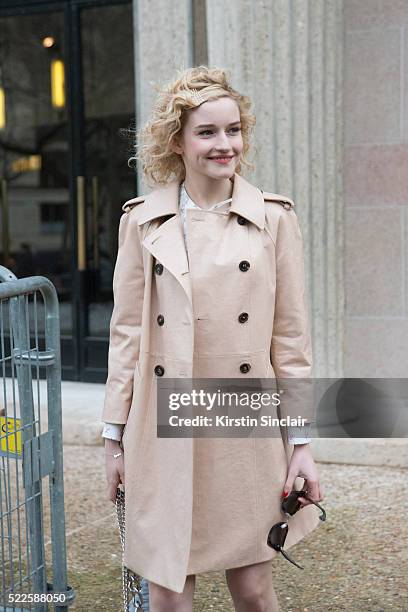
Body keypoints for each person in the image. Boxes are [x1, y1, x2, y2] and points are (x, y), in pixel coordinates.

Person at [102, 65, 324, 612]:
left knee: (251, 587)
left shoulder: (273, 220)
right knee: (169, 591)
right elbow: (126, 332)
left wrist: (301, 445)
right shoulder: (143, 223)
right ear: (176, 141)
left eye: (233, 130)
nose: (225, 145)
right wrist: (113, 438)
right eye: (207, 132)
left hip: (242, 418)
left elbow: (289, 339)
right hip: (162, 427)